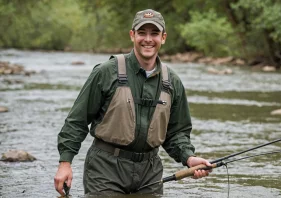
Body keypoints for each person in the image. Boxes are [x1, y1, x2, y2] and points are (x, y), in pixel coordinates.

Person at [54, 8, 211, 196]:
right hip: (105, 168)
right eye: (142, 33)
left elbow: (177, 133)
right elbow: (77, 121)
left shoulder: (173, 82)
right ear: (132, 35)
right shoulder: (106, 72)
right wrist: (65, 163)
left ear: (163, 37)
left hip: (150, 172)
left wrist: (188, 158)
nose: (148, 39)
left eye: (154, 33)